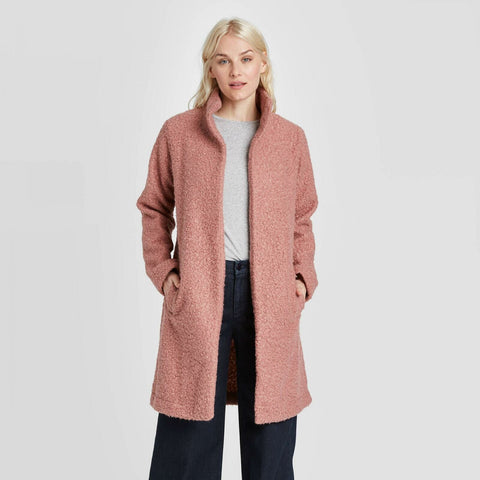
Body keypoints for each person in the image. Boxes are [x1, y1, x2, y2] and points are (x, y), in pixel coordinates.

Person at [136, 16, 319, 480]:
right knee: (188, 436)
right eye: (223, 60)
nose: (236, 71)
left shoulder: (290, 139)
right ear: (210, 68)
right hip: (200, 291)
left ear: (263, 64)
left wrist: (301, 278)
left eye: (246, 58)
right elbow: (153, 207)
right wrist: (165, 272)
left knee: (271, 439)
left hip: (270, 294)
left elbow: (302, 216)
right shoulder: (179, 133)